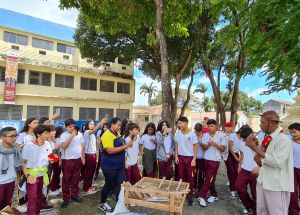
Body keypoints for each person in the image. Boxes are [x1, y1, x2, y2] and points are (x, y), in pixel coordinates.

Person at [246, 110, 293, 215]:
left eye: (262, 122)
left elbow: (277, 162)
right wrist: (255, 146)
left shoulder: (283, 139)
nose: (260, 125)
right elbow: (260, 162)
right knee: (262, 212)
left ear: (272, 122)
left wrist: (257, 149)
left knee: (277, 212)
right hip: (263, 181)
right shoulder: (267, 139)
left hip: (276, 185)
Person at [99, 117, 133, 212]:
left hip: (119, 166)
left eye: (120, 125)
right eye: (118, 125)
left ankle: (120, 203)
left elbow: (120, 147)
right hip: (109, 166)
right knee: (109, 185)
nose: (119, 127)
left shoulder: (117, 133)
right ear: (112, 124)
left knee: (120, 184)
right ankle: (102, 203)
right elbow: (109, 151)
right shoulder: (106, 135)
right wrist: (126, 146)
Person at [22, 125, 55, 215]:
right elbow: (23, 162)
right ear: (38, 134)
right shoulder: (29, 145)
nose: (48, 135)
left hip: (43, 174)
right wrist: (27, 175)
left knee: (39, 196)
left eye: (48, 133)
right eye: (46, 133)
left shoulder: (48, 143)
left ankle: (36, 212)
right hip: (32, 175)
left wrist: (54, 158)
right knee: (32, 197)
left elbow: (50, 157)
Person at [198, 119, 226, 207]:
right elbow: (204, 148)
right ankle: (214, 195)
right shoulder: (205, 135)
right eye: (208, 126)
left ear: (216, 126)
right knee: (210, 178)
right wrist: (206, 145)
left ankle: (201, 196)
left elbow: (223, 149)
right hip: (206, 159)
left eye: (211, 126)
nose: (210, 127)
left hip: (215, 160)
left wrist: (214, 143)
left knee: (209, 178)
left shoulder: (222, 135)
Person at [60, 119, 85, 209]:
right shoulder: (63, 135)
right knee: (66, 180)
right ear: (66, 127)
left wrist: (83, 156)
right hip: (67, 160)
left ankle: (74, 195)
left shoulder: (79, 134)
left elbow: (82, 145)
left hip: (77, 159)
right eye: (70, 127)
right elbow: (63, 146)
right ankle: (66, 198)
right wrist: (71, 136)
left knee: (76, 178)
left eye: (73, 126)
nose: (72, 128)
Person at [236, 126, 259, 215]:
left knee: (255, 194)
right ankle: (249, 205)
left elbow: (262, 155)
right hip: (244, 169)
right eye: (244, 139)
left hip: (255, 171)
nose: (246, 141)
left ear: (252, 135)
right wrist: (239, 165)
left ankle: (256, 211)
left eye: (248, 138)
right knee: (239, 187)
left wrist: (258, 167)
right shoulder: (242, 142)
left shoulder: (258, 142)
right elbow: (241, 154)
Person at [175, 116, 198, 206]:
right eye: (178, 123)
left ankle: (190, 196)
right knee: (181, 176)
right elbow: (176, 144)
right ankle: (181, 194)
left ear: (186, 123)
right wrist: (176, 156)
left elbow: (196, 146)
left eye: (180, 123)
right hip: (180, 157)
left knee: (190, 178)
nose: (179, 125)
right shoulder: (178, 133)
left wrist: (194, 159)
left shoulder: (192, 134)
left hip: (190, 158)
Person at [82, 119, 107, 194]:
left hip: (93, 154)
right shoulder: (87, 132)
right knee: (88, 172)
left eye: (93, 124)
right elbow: (93, 130)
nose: (92, 125)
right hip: (88, 154)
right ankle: (86, 188)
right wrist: (100, 123)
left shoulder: (92, 134)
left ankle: (89, 186)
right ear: (87, 126)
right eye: (90, 124)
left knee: (92, 171)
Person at [0, 127, 22, 211]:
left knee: (6, 205)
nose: (14, 138)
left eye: (16, 136)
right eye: (11, 136)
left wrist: (16, 179)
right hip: (0, 182)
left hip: (10, 181)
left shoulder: (15, 149)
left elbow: (16, 166)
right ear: (2, 137)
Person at [225, 122, 240, 199]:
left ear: (232, 127)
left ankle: (235, 186)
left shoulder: (240, 136)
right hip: (228, 154)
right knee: (231, 170)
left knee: (236, 171)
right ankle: (232, 189)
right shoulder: (224, 135)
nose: (228, 128)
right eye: (226, 126)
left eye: (229, 126)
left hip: (236, 154)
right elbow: (229, 147)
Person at [288, 123, 300, 215]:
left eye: (294, 132)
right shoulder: (289, 141)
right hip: (292, 169)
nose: (292, 134)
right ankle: (294, 211)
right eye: (290, 132)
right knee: (293, 191)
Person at [48, 126, 63, 196]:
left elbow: (57, 151)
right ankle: (50, 189)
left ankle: (52, 187)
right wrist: (56, 159)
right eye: (52, 131)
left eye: (54, 130)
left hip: (53, 160)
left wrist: (59, 160)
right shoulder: (47, 141)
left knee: (54, 173)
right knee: (49, 175)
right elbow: (49, 154)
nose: (54, 132)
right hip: (49, 162)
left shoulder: (53, 140)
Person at [194, 123, 205, 194]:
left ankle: (200, 188)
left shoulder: (205, 137)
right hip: (194, 158)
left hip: (202, 158)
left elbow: (206, 148)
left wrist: (201, 144)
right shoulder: (193, 136)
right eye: (196, 131)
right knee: (194, 174)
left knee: (201, 174)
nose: (197, 133)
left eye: (199, 132)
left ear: (201, 130)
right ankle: (194, 187)